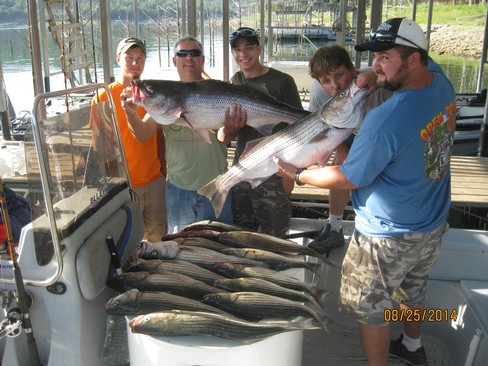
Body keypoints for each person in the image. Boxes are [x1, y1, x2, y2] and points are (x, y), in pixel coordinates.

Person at [273, 18, 456, 366]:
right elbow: (414, 68)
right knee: (413, 289)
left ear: (413, 60)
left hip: (385, 236)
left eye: (385, 57)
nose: (374, 65)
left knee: (369, 307)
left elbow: (350, 176)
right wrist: (380, 74)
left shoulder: (384, 119)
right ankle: (413, 348)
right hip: (431, 223)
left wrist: (301, 176)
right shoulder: (441, 84)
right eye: (374, 57)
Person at [121, 36, 233, 233]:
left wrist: (232, 127)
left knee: (221, 248)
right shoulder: (164, 98)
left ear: (202, 59)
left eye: (194, 53)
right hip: (178, 190)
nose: (188, 57)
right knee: (182, 247)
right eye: (182, 54)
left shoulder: (218, 89)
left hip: (217, 186)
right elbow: (143, 133)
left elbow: (225, 137)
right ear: (175, 61)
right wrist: (130, 114)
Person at [217, 26, 303, 238]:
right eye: (237, 49)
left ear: (259, 49)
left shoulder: (282, 81)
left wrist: (290, 173)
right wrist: (230, 129)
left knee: (274, 235)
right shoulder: (236, 81)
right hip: (243, 169)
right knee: (243, 235)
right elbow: (228, 134)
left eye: (248, 48)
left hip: (273, 172)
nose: (243, 54)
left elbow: (299, 125)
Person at [306, 45, 392, 253]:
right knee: (340, 164)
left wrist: (375, 73)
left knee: (381, 177)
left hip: (384, 135)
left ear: (353, 70)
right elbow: (322, 125)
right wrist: (341, 147)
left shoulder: (381, 87)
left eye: (339, 75)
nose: (335, 85)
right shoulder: (319, 93)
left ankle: (382, 227)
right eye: (326, 81)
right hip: (349, 133)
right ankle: (334, 227)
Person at [91, 37, 167, 242]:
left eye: (140, 58)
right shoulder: (102, 96)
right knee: (131, 244)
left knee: (159, 240)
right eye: (129, 57)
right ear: (118, 59)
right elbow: (100, 145)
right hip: (125, 186)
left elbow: (158, 135)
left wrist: (163, 173)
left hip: (154, 181)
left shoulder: (150, 93)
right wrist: (112, 186)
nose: (135, 63)